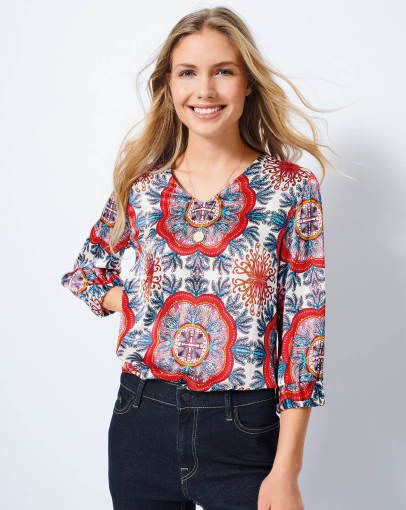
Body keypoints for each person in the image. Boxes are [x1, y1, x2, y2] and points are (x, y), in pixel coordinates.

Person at [60, 6, 331, 510]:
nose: (204, 90)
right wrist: (131, 299)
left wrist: (286, 470)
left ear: (247, 84)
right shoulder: (143, 187)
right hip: (142, 417)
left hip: (243, 426)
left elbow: (304, 334)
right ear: (168, 84)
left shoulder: (290, 188)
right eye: (188, 72)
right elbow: (85, 273)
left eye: (222, 71)